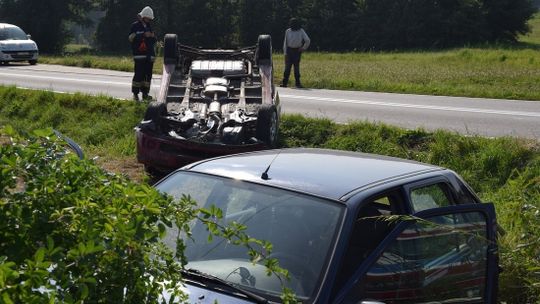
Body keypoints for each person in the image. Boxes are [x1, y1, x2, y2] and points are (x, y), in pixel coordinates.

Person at [129, 6, 157, 101]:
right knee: (138, 75)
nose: (149, 20)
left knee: (147, 76)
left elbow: (153, 41)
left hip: (149, 56)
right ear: (143, 17)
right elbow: (131, 38)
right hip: (139, 55)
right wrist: (143, 35)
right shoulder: (135, 26)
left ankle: (145, 94)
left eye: (150, 19)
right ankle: (135, 94)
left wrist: (153, 37)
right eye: (148, 18)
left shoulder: (149, 26)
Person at [281, 18, 310, 88]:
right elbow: (285, 43)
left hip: (297, 51)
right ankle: (284, 83)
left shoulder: (301, 31)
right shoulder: (287, 31)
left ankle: (298, 83)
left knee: (296, 68)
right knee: (287, 68)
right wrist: (285, 53)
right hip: (289, 51)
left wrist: (303, 48)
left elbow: (308, 40)